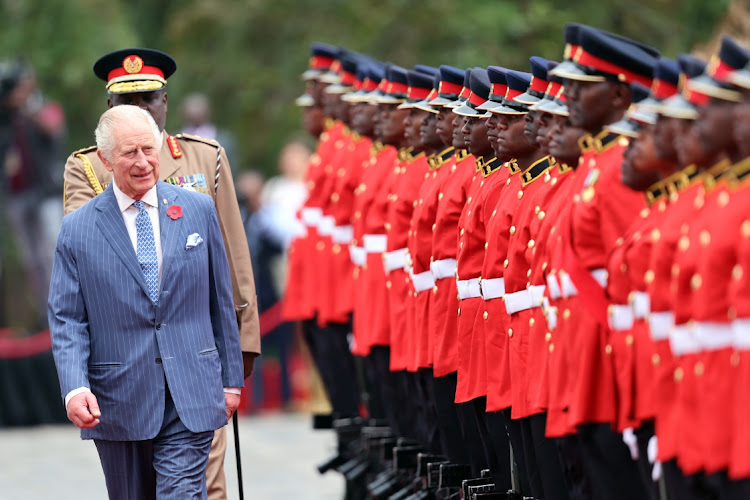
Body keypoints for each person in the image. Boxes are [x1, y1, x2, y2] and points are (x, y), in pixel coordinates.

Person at [61, 48, 259, 499]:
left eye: (149, 98)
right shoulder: (88, 165)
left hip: (198, 351)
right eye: (127, 103)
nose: (141, 110)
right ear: (109, 108)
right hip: (128, 361)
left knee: (204, 480)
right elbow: (82, 255)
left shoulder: (204, 158)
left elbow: (232, 257)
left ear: (165, 101)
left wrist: (243, 342)